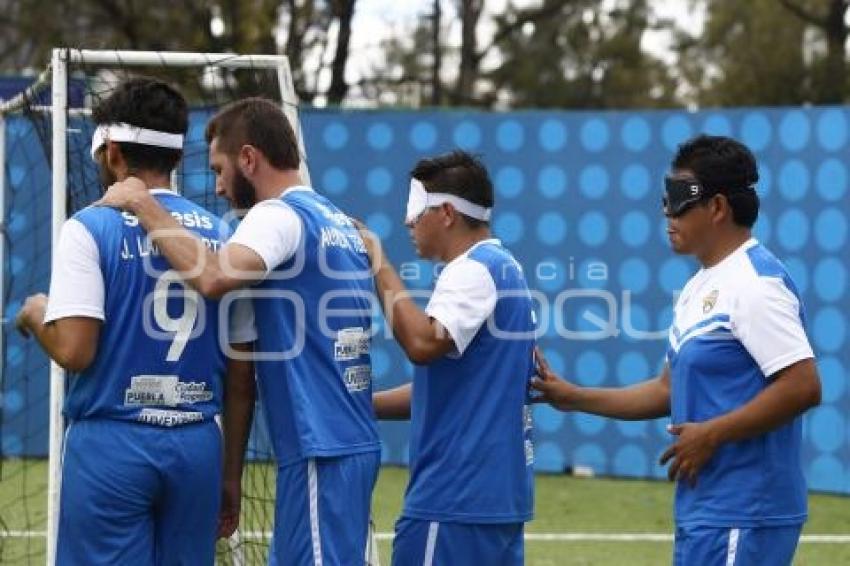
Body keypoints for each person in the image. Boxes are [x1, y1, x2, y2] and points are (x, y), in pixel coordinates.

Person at [96, 97, 381, 565]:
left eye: (219, 169)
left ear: (248, 158)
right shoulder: (337, 221)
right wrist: (232, 474)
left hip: (320, 448)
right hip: (340, 445)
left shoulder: (276, 216)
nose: (218, 186)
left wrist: (143, 204)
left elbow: (212, 277)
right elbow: (243, 374)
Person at [532, 134, 821, 566]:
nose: (666, 211)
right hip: (706, 508)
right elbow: (667, 389)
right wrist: (572, 397)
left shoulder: (756, 284)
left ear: (718, 208)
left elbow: (803, 386)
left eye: (678, 199)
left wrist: (713, 433)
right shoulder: (698, 286)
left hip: (746, 511)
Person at [15, 77, 256, 565]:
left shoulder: (89, 227)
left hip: (113, 445)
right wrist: (230, 472)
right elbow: (241, 374)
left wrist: (38, 314)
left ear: (113, 153)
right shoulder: (224, 237)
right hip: (197, 445)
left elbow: (75, 350)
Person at [358, 150, 536, 565]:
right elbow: (443, 388)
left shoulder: (473, 269)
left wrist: (378, 262)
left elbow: (420, 344)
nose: (407, 222)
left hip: (456, 499)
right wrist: (356, 405)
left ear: (447, 214)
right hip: (493, 500)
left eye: (416, 211)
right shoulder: (505, 266)